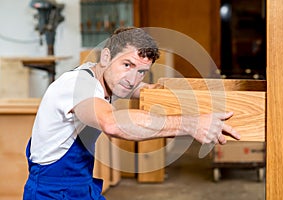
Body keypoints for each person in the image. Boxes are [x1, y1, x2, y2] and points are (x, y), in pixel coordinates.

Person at [23, 27, 240, 200]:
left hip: (79, 186)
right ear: (106, 57)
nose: (132, 78)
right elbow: (113, 124)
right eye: (127, 64)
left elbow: (139, 87)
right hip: (51, 192)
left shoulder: (104, 74)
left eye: (141, 71)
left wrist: (184, 99)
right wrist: (191, 124)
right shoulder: (78, 86)